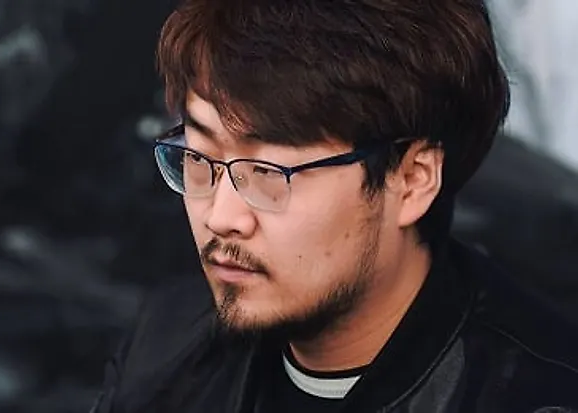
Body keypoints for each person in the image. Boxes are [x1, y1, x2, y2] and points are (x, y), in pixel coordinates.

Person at [92, 1, 578, 412]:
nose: (220, 217)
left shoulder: (538, 392)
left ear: (412, 179)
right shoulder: (163, 343)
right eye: (200, 157)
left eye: (268, 173)